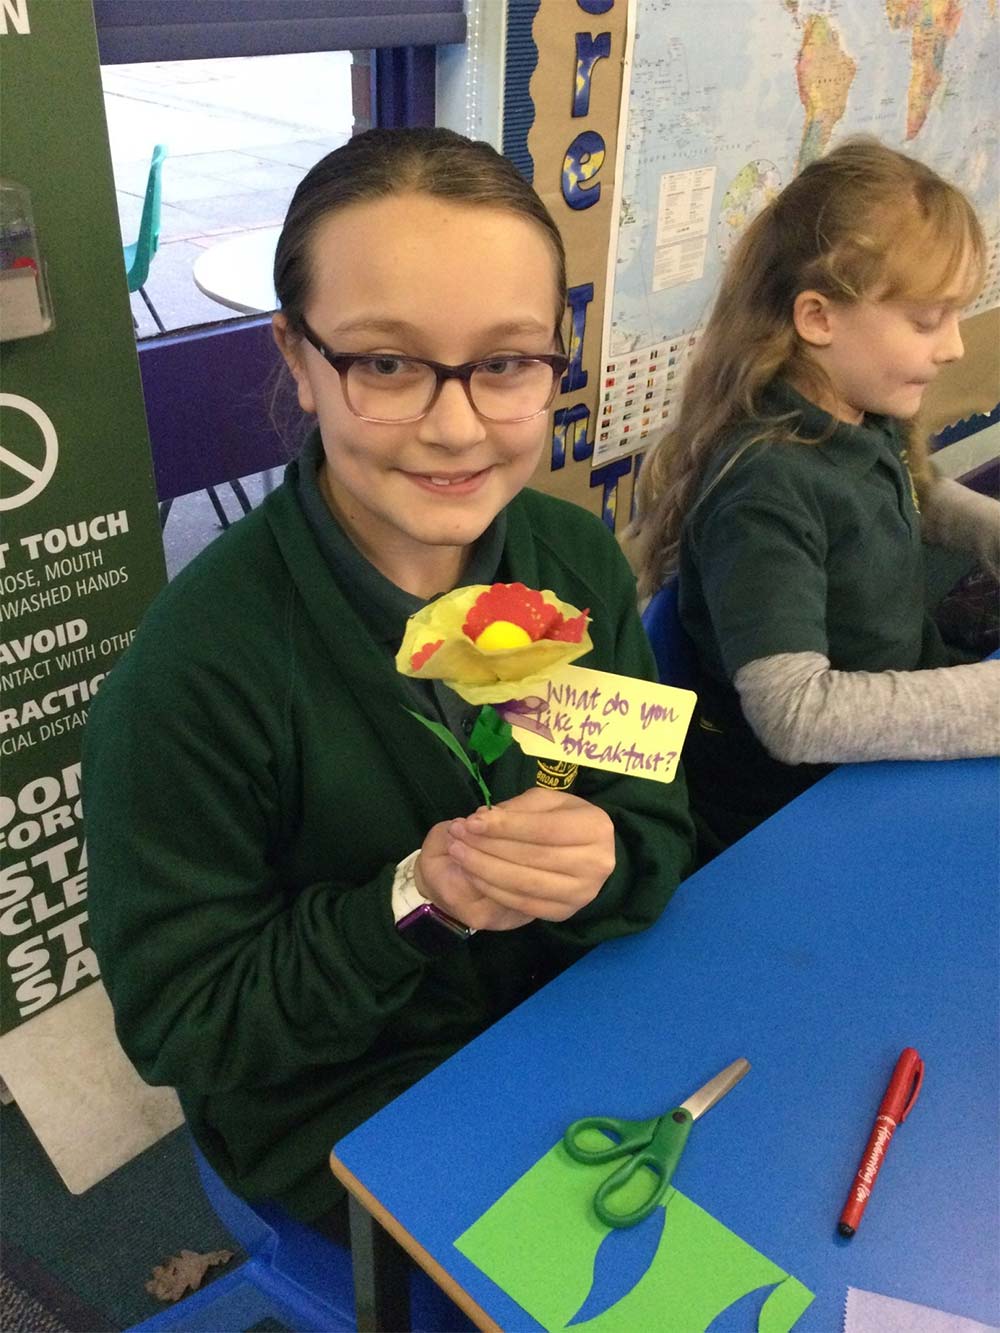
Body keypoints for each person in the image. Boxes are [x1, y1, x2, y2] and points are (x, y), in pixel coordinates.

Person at [83, 128, 695, 1234]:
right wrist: (419, 901)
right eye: (387, 363)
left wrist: (606, 861)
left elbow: (650, 822)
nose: (455, 424)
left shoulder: (578, 569)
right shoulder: (193, 676)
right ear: (297, 359)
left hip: (567, 1012)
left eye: (505, 362)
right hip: (351, 1101)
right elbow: (184, 1023)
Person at [628, 137, 999, 856]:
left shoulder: (858, 411)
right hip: (795, 812)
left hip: (881, 737)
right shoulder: (763, 486)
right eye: (927, 321)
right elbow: (794, 712)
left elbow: (907, 490)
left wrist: (988, 529)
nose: (953, 347)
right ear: (818, 318)